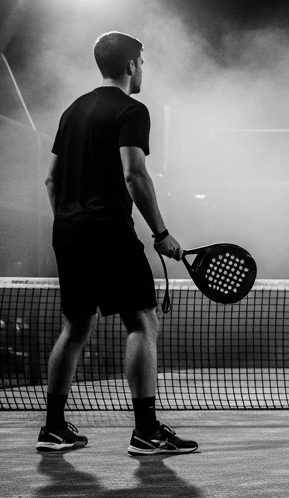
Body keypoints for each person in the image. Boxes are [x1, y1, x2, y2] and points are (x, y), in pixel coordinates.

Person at [37, 31, 197, 456]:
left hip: (67, 230)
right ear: (130, 65)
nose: (143, 69)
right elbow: (134, 174)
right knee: (142, 323)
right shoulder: (132, 109)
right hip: (109, 228)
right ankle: (146, 431)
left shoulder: (73, 110)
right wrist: (161, 234)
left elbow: (51, 178)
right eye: (141, 62)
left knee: (75, 327)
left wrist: (69, 220)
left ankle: (53, 428)